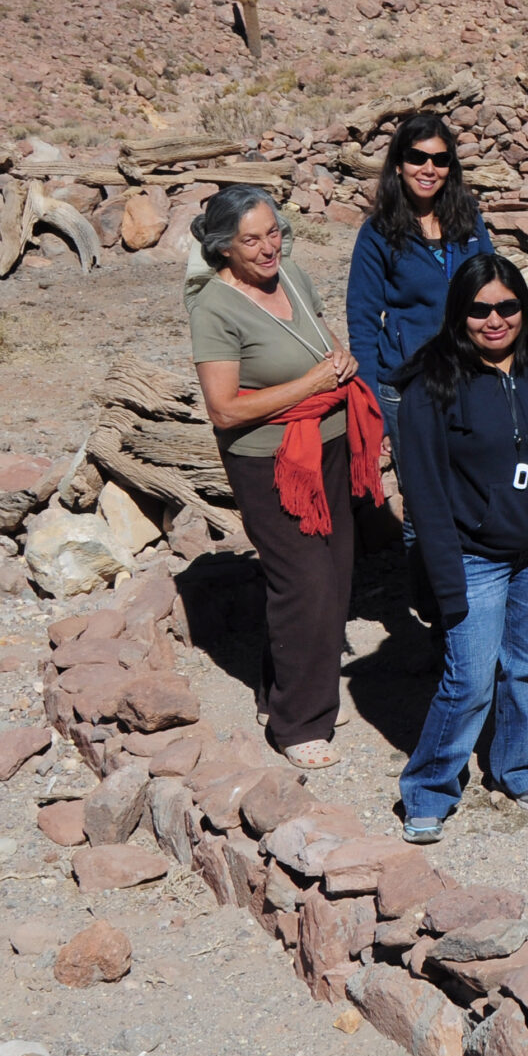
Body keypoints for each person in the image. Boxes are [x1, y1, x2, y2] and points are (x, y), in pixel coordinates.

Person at [393, 255, 528, 843]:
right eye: (479, 309)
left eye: (507, 306)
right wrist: (443, 580)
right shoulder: (431, 385)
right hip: (474, 554)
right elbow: (425, 495)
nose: (494, 320)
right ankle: (429, 788)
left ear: (523, 310)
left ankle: (518, 765)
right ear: (459, 315)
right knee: (470, 678)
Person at [187, 185, 384, 770]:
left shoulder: (292, 274)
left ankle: (285, 691)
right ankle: (300, 722)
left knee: (336, 571)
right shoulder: (214, 308)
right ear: (224, 248)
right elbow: (224, 409)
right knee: (304, 582)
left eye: (273, 231)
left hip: (327, 443)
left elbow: (317, 344)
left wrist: (342, 360)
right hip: (270, 459)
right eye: (251, 239)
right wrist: (316, 384)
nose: (269, 246)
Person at [346, 113, 493, 546]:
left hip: (473, 374)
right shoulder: (378, 234)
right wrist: (372, 407)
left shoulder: (467, 219)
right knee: (424, 496)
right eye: (417, 157)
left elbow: (495, 285)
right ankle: (431, 594)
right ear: (398, 164)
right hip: (409, 386)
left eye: (440, 160)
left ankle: (476, 582)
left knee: (478, 481)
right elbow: (363, 320)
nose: (429, 169)